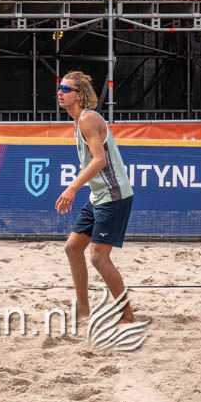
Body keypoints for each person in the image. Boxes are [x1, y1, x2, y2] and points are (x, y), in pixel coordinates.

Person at [55, 71, 135, 323]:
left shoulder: (88, 119)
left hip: (114, 195)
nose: (60, 92)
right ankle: (83, 311)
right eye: (59, 87)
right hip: (99, 195)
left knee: (99, 257)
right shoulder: (78, 121)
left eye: (66, 89)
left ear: (79, 95)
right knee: (72, 248)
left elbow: (100, 161)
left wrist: (72, 188)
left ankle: (127, 315)